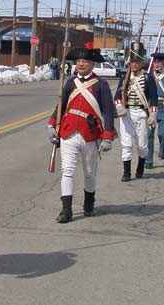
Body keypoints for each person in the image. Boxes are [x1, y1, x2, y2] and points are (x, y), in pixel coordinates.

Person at [47, 43, 115, 223]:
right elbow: (61, 105)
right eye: (78, 61)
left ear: (92, 64)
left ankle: (89, 204)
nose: (81, 64)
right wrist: (52, 124)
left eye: (84, 61)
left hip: (90, 134)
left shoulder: (101, 85)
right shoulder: (70, 82)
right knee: (67, 170)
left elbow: (108, 111)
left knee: (89, 172)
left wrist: (107, 136)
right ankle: (66, 210)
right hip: (68, 131)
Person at [114, 42, 158, 181]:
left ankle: (140, 166)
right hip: (126, 114)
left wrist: (153, 114)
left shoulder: (148, 78)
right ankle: (126, 172)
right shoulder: (124, 78)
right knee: (126, 144)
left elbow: (154, 99)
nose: (134, 64)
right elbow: (117, 97)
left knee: (142, 145)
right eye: (132, 62)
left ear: (141, 63)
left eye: (137, 62)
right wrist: (119, 106)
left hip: (141, 114)